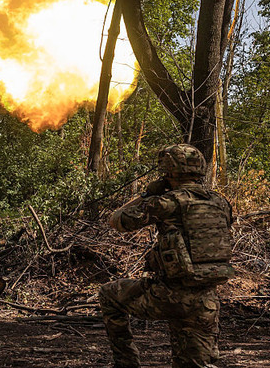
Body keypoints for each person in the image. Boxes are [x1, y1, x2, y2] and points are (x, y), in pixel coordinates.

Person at [98, 144, 235, 368]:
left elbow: (117, 220)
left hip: (169, 296)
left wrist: (148, 193)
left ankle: (126, 364)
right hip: (207, 301)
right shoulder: (221, 203)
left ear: (169, 170)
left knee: (109, 295)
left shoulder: (167, 202)